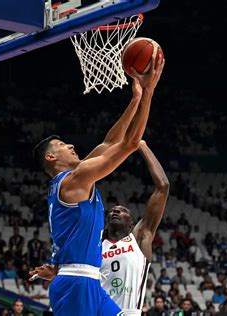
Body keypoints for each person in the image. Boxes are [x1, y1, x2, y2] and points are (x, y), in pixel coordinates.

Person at [32, 45, 164, 316]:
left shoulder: (76, 176)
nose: (70, 145)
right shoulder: (73, 181)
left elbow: (110, 142)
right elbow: (128, 144)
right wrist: (149, 92)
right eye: (60, 145)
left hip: (89, 280)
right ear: (50, 158)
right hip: (76, 282)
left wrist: (135, 98)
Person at [30, 141, 169, 315]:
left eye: (123, 210)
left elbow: (163, 187)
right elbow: (78, 267)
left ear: (132, 223)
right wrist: (59, 270)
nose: (116, 210)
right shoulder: (95, 247)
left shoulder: (140, 238)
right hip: (92, 305)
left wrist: (141, 145)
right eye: (113, 210)